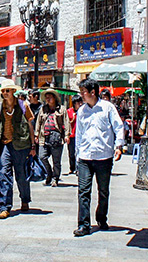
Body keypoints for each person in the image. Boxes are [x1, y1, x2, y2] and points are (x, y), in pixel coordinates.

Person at [73, 78, 125, 237]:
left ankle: (101, 218)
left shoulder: (107, 108)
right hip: (85, 157)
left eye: (83, 92)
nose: (81, 95)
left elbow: (118, 127)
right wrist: (77, 155)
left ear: (92, 92)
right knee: (83, 191)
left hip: (104, 156)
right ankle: (84, 224)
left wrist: (119, 146)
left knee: (103, 191)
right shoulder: (82, 111)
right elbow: (79, 134)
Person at [0, 79, 36, 219]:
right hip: (5, 144)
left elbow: (30, 124)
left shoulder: (23, 105)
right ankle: (4, 207)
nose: (5, 93)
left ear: (13, 91)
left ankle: (24, 199)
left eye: (7, 90)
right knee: (4, 174)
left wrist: (33, 145)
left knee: (21, 175)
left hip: (21, 145)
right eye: (3, 91)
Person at [35, 89, 71, 187]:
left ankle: (55, 178)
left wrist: (67, 135)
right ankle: (49, 173)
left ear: (54, 98)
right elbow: (38, 122)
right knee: (42, 156)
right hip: (44, 137)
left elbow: (66, 122)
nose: (48, 99)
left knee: (56, 160)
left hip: (56, 137)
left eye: (50, 97)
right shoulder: (43, 109)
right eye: (46, 97)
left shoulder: (62, 109)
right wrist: (36, 134)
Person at [67, 94, 83, 175]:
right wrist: (73, 118)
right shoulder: (69, 111)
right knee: (71, 153)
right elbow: (66, 124)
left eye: (80, 102)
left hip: (80, 135)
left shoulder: (83, 111)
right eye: (78, 103)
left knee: (79, 152)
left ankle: (78, 169)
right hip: (72, 135)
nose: (79, 104)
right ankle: (72, 167)